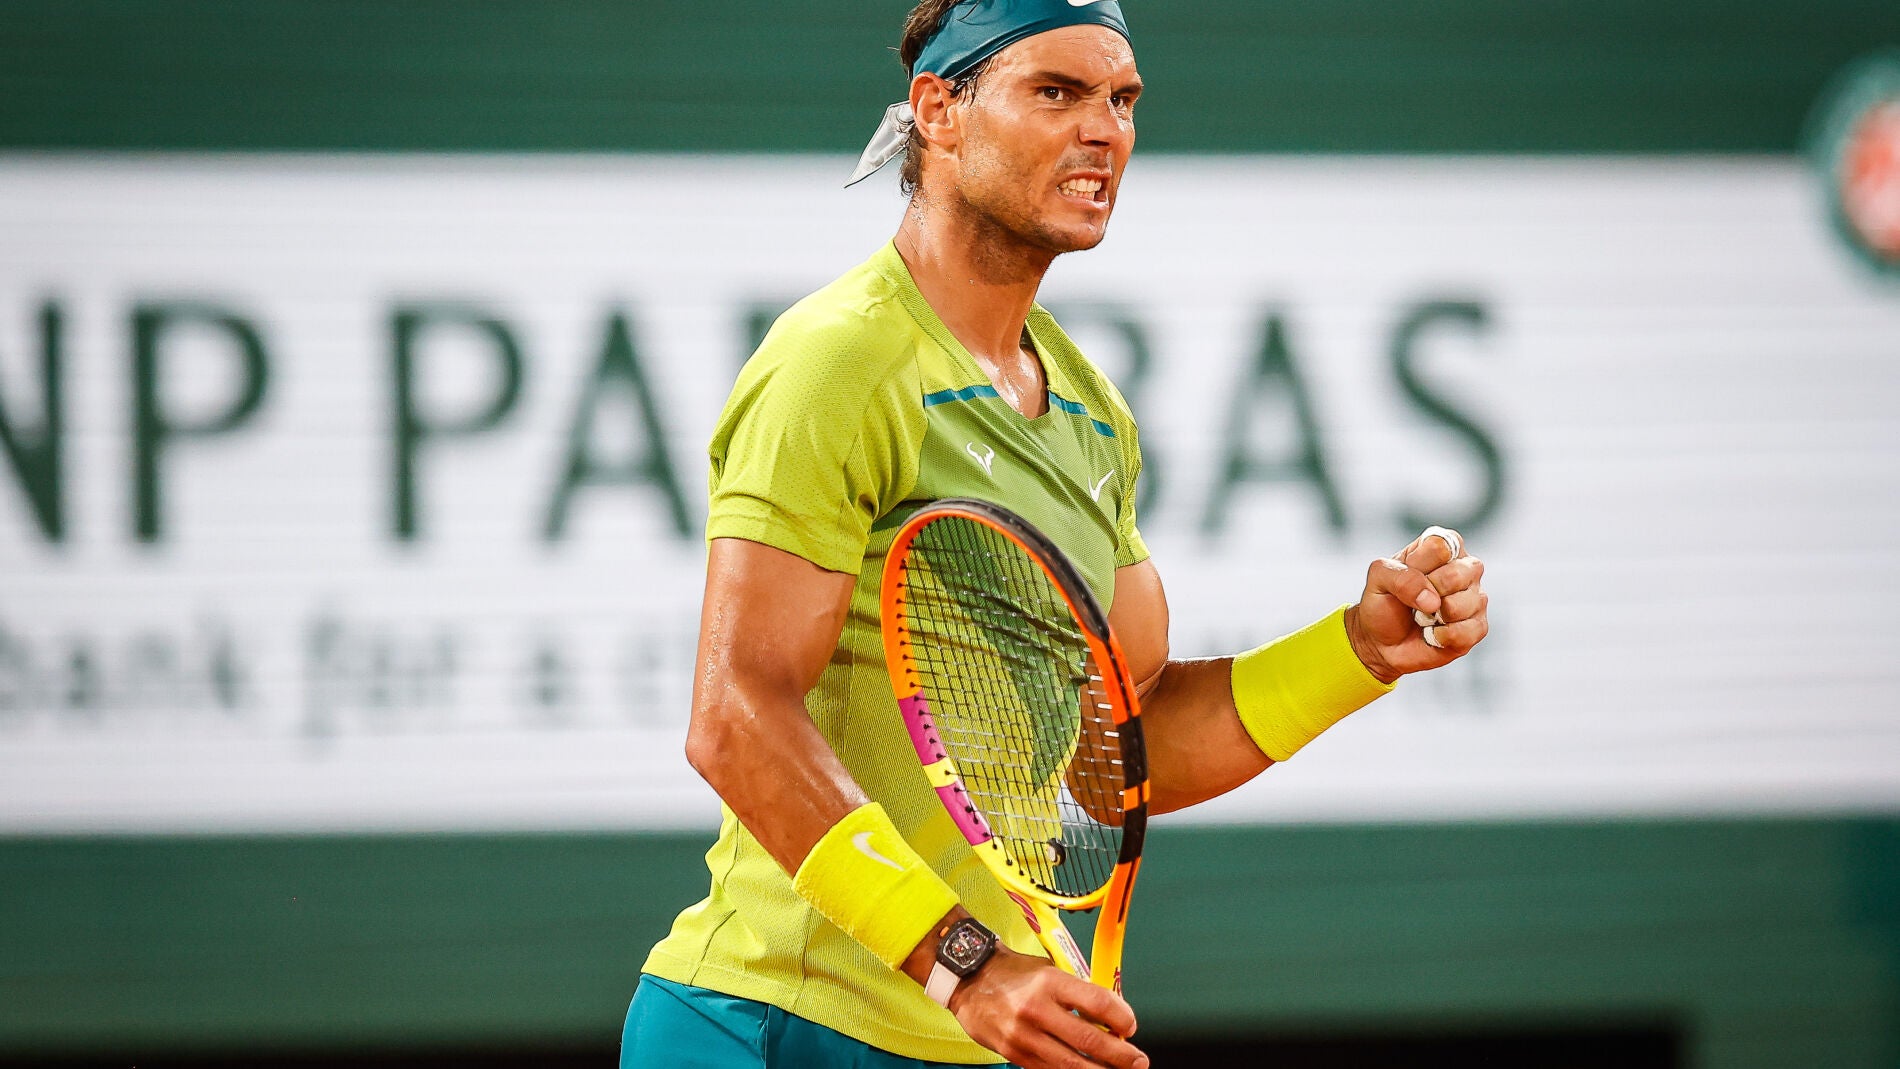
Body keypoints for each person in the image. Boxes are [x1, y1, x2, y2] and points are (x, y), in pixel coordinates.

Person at [622, 2, 1490, 1067]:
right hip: (767, 1024)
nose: (1104, 130)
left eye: (1122, 100)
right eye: (1056, 92)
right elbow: (735, 717)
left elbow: (1119, 751)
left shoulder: (1090, 413)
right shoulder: (838, 359)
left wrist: (1355, 651)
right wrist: (967, 966)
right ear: (938, 111)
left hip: (977, 1035)